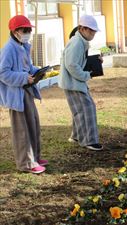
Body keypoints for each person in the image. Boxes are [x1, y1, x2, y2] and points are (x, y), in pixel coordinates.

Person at [0, 15, 48, 174]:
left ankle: (34, 157)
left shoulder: (23, 45)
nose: (28, 32)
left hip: (26, 91)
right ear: (14, 32)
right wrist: (23, 78)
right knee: (22, 130)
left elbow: (27, 67)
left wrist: (38, 71)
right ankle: (26, 163)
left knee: (33, 124)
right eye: (24, 30)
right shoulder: (8, 49)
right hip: (16, 95)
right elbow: (3, 73)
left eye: (29, 30)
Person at [58, 15, 103, 151]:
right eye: (91, 31)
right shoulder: (77, 42)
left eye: (94, 31)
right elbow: (71, 64)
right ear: (82, 29)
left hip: (72, 83)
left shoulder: (79, 40)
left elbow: (77, 62)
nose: (93, 34)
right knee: (87, 109)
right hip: (74, 83)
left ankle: (77, 136)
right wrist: (85, 75)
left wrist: (95, 63)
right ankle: (89, 140)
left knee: (79, 110)